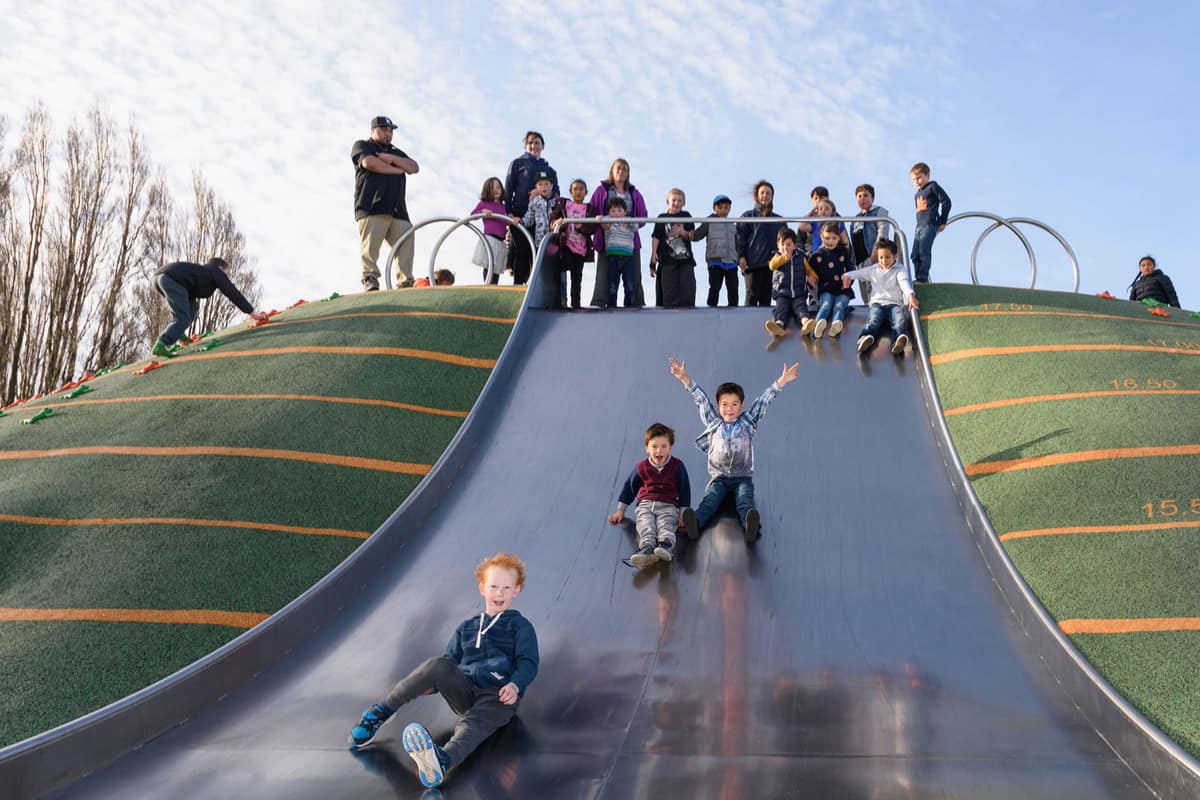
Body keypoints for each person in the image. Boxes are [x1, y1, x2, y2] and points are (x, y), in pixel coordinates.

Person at [347, 553, 539, 789]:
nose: (499, 593)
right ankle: (380, 713)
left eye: (506, 588)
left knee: (472, 724)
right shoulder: (467, 628)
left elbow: (528, 662)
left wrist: (515, 684)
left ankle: (442, 761)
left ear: (516, 591)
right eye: (494, 586)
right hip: (465, 691)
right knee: (438, 664)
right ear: (482, 588)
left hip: (499, 696)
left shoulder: (519, 626)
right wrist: (433, 685)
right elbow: (450, 661)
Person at [668, 356, 799, 542]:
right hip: (719, 477)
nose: (729, 409)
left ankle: (750, 525)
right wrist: (684, 377)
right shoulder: (714, 422)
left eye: (734, 404)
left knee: (745, 501)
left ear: (741, 405)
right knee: (710, 501)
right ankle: (695, 523)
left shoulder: (747, 422)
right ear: (718, 405)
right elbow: (701, 399)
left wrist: (781, 382)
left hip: (742, 477)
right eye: (725, 404)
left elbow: (763, 401)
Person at [607, 422, 697, 569]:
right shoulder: (641, 467)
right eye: (654, 446)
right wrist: (620, 510)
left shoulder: (677, 466)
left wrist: (683, 512)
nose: (659, 451)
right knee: (645, 524)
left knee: (666, 524)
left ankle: (665, 545)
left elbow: (684, 489)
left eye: (663, 446)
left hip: (668, 505)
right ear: (647, 448)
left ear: (670, 447)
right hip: (645, 505)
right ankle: (647, 548)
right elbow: (629, 487)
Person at [351, 116, 420, 291]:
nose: (388, 133)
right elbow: (369, 163)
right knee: (370, 247)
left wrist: (390, 158)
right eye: (383, 129)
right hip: (372, 206)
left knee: (406, 238)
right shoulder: (363, 145)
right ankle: (370, 278)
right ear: (373, 130)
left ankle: (405, 282)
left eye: (390, 131)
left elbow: (413, 167)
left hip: (398, 210)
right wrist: (397, 170)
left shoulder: (395, 151)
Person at [151, 258, 268, 358]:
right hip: (170, 279)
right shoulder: (215, 270)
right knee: (183, 318)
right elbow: (232, 292)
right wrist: (252, 313)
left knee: (192, 307)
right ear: (221, 268)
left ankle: (179, 334)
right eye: (227, 273)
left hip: (159, 279)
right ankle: (161, 343)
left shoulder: (202, 272)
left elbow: (190, 298)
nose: (227, 277)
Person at [841, 239, 920, 356]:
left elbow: (904, 282)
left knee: (899, 320)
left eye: (887, 257)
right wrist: (847, 275)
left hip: (894, 304)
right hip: (877, 303)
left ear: (895, 256)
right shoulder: (874, 269)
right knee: (874, 319)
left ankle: (899, 340)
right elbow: (860, 273)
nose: (884, 261)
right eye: (881, 257)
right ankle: (865, 337)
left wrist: (911, 295)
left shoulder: (899, 269)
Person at [588, 159, 649, 308]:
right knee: (605, 276)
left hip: (629, 242)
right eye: (618, 168)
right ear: (612, 171)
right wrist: (600, 221)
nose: (621, 172)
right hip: (608, 240)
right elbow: (591, 210)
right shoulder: (601, 190)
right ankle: (601, 304)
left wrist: (631, 223)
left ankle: (635, 305)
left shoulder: (634, 193)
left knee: (633, 278)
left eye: (625, 169)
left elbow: (643, 216)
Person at [504, 132, 559, 286]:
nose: (534, 146)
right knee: (521, 250)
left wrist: (540, 191)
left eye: (537, 142)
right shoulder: (517, 163)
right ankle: (518, 286)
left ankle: (534, 287)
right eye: (530, 143)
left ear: (543, 146)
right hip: (519, 214)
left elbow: (556, 193)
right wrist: (508, 212)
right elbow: (508, 188)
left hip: (541, 217)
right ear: (525, 145)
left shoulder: (549, 170)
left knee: (537, 252)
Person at [737, 180, 786, 307]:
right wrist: (741, 256)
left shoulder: (779, 221)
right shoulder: (747, 216)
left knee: (766, 300)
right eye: (762, 193)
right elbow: (740, 238)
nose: (765, 196)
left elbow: (786, 242)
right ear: (757, 195)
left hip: (771, 265)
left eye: (768, 193)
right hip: (752, 265)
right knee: (751, 298)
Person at [549, 179, 596, 309]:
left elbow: (592, 228)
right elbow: (553, 218)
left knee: (577, 277)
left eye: (581, 189)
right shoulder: (565, 204)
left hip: (580, 249)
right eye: (575, 189)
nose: (578, 192)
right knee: (562, 269)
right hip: (566, 245)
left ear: (586, 192)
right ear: (570, 191)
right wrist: (555, 222)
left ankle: (576, 304)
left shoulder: (589, 209)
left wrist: (581, 227)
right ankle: (559, 300)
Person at [649, 188, 698, 308]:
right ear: (668, 201)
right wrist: (653, 256)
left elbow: (691, 235)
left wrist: (682, 232)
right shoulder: (662, 217)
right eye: (674, 200)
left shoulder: (686, 216)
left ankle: (687, 311)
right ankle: (670, 312)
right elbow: (656, 237)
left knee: (687, 289)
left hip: (685, 260)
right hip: (667, 261)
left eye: (680, 201)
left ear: (684, 203)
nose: (676, 203)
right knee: (669, 291)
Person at [765, 228, 816, 339]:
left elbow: (808, 270)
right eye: (782, 244)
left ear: (794, 245)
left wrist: (812, 277)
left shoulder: (800, 257)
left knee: (801, 308)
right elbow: (772, 266)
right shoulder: (777, 256)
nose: (785, 247)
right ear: (778, 245)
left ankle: (806, 323)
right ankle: (779, 325)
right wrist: (785, 258)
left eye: (788, 245)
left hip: (798, 293)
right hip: (782, 292)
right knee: (781, 308)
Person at [809, 222, 857, 338]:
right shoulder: (817, 256)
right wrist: (811, 281)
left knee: (839, 305)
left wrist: (849, 280)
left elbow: (850, 270)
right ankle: (818, 326)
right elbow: (811, 273)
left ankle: (836, 325)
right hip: (826, 289)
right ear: (821, 237)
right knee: (826, 304)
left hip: (843, 290)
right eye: (827, 238)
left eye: (834, 238)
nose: (830, 241)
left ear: (839, 238)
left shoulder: (844, 252)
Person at [849, 183, 893, 303]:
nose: (862, 198)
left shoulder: (878, 211)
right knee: (864, 289)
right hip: (860, 260)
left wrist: (877, 250)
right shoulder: (855, 218)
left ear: (872, 198)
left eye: (866, 195)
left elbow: (883, 230)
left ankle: (875, 307)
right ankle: (867, 308)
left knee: (872, 286)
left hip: (871, 255)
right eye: (859, 196)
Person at [909, 162, 952, 283]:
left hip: (929, 224)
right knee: (914, 255)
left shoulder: (933, 186)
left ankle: (923, 277)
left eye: (919, 178)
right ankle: (918, 278)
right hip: (919, 227)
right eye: (914, 179)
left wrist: (943, 221)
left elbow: (946, 202)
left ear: (927, 175)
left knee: (924, 251)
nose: (916, 181)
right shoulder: (917, 194)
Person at [693, 194, 739, 307]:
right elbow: (698, 234)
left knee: (733, 288)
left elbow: (737, 244)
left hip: (731, 262)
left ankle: (734, 309)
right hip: (716, 260)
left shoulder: (732, 225)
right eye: (720, 207)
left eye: (726, 208)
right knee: (715, 286)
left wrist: (739, 259)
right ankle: (711, 307)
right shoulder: (710, 221)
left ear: (729, 209)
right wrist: (689, 234)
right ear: (714, 208)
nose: (723, 210)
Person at [602, 197, 638, 308]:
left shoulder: (628, 220)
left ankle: (629, 306)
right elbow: (604, 225)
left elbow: (635, 228)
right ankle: (612, 307)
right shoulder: (608, 220)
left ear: (625, 212)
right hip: (613, 256)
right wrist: (600, 219)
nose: (616, 213)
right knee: (612, 285)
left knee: (629, 285)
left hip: (627, 257)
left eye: (619, 210)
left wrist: (628, 222)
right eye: (613, 211)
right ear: (609, 212)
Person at [471, 177, 508, 285]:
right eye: (492, 188)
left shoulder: (503, 207)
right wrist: (482, 212)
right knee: (489, 265)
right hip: (489, 239)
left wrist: (509, 220)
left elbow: (504, 221)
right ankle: (487, 284)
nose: (496, 190)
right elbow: (473, 215)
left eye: (498, 187)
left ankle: (494, 286)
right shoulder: (484, 203)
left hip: (501, 241)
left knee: (496, 267)